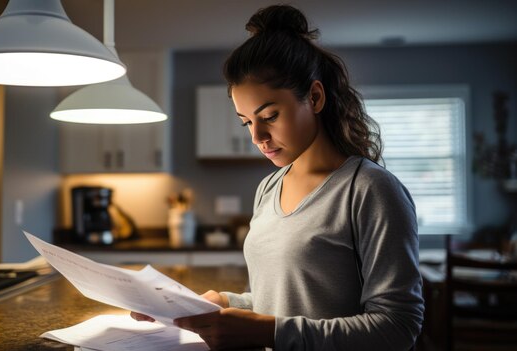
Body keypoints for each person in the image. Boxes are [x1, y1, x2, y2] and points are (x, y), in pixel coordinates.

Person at [132, 4, 424, 350]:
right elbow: (284, 304)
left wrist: (268, 333)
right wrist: (221, 303)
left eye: (269, 115)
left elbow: (398, 326)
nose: (257, 136)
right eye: (246, 122)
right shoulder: (269, 188)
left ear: (314, 97)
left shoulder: (370, 189)